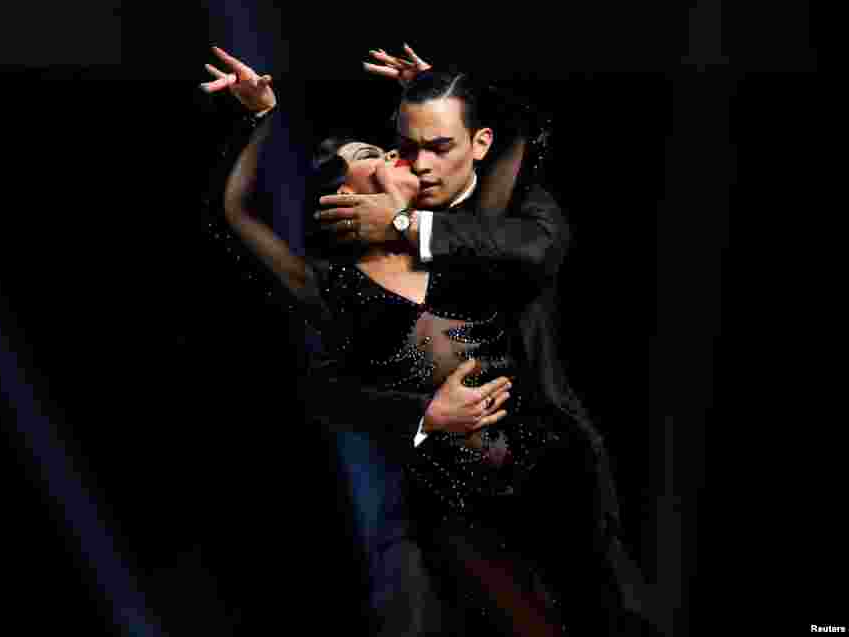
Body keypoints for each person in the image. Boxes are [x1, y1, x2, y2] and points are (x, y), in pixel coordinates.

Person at [200, 45, 655, 635]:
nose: (402, 157)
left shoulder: (458, 242)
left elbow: (522, 139)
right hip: (452, 507)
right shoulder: (333, 287)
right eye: (377, 154)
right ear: (340, 196)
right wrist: (259, 117)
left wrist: (443, 91)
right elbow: (231, 213)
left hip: (550, 484)